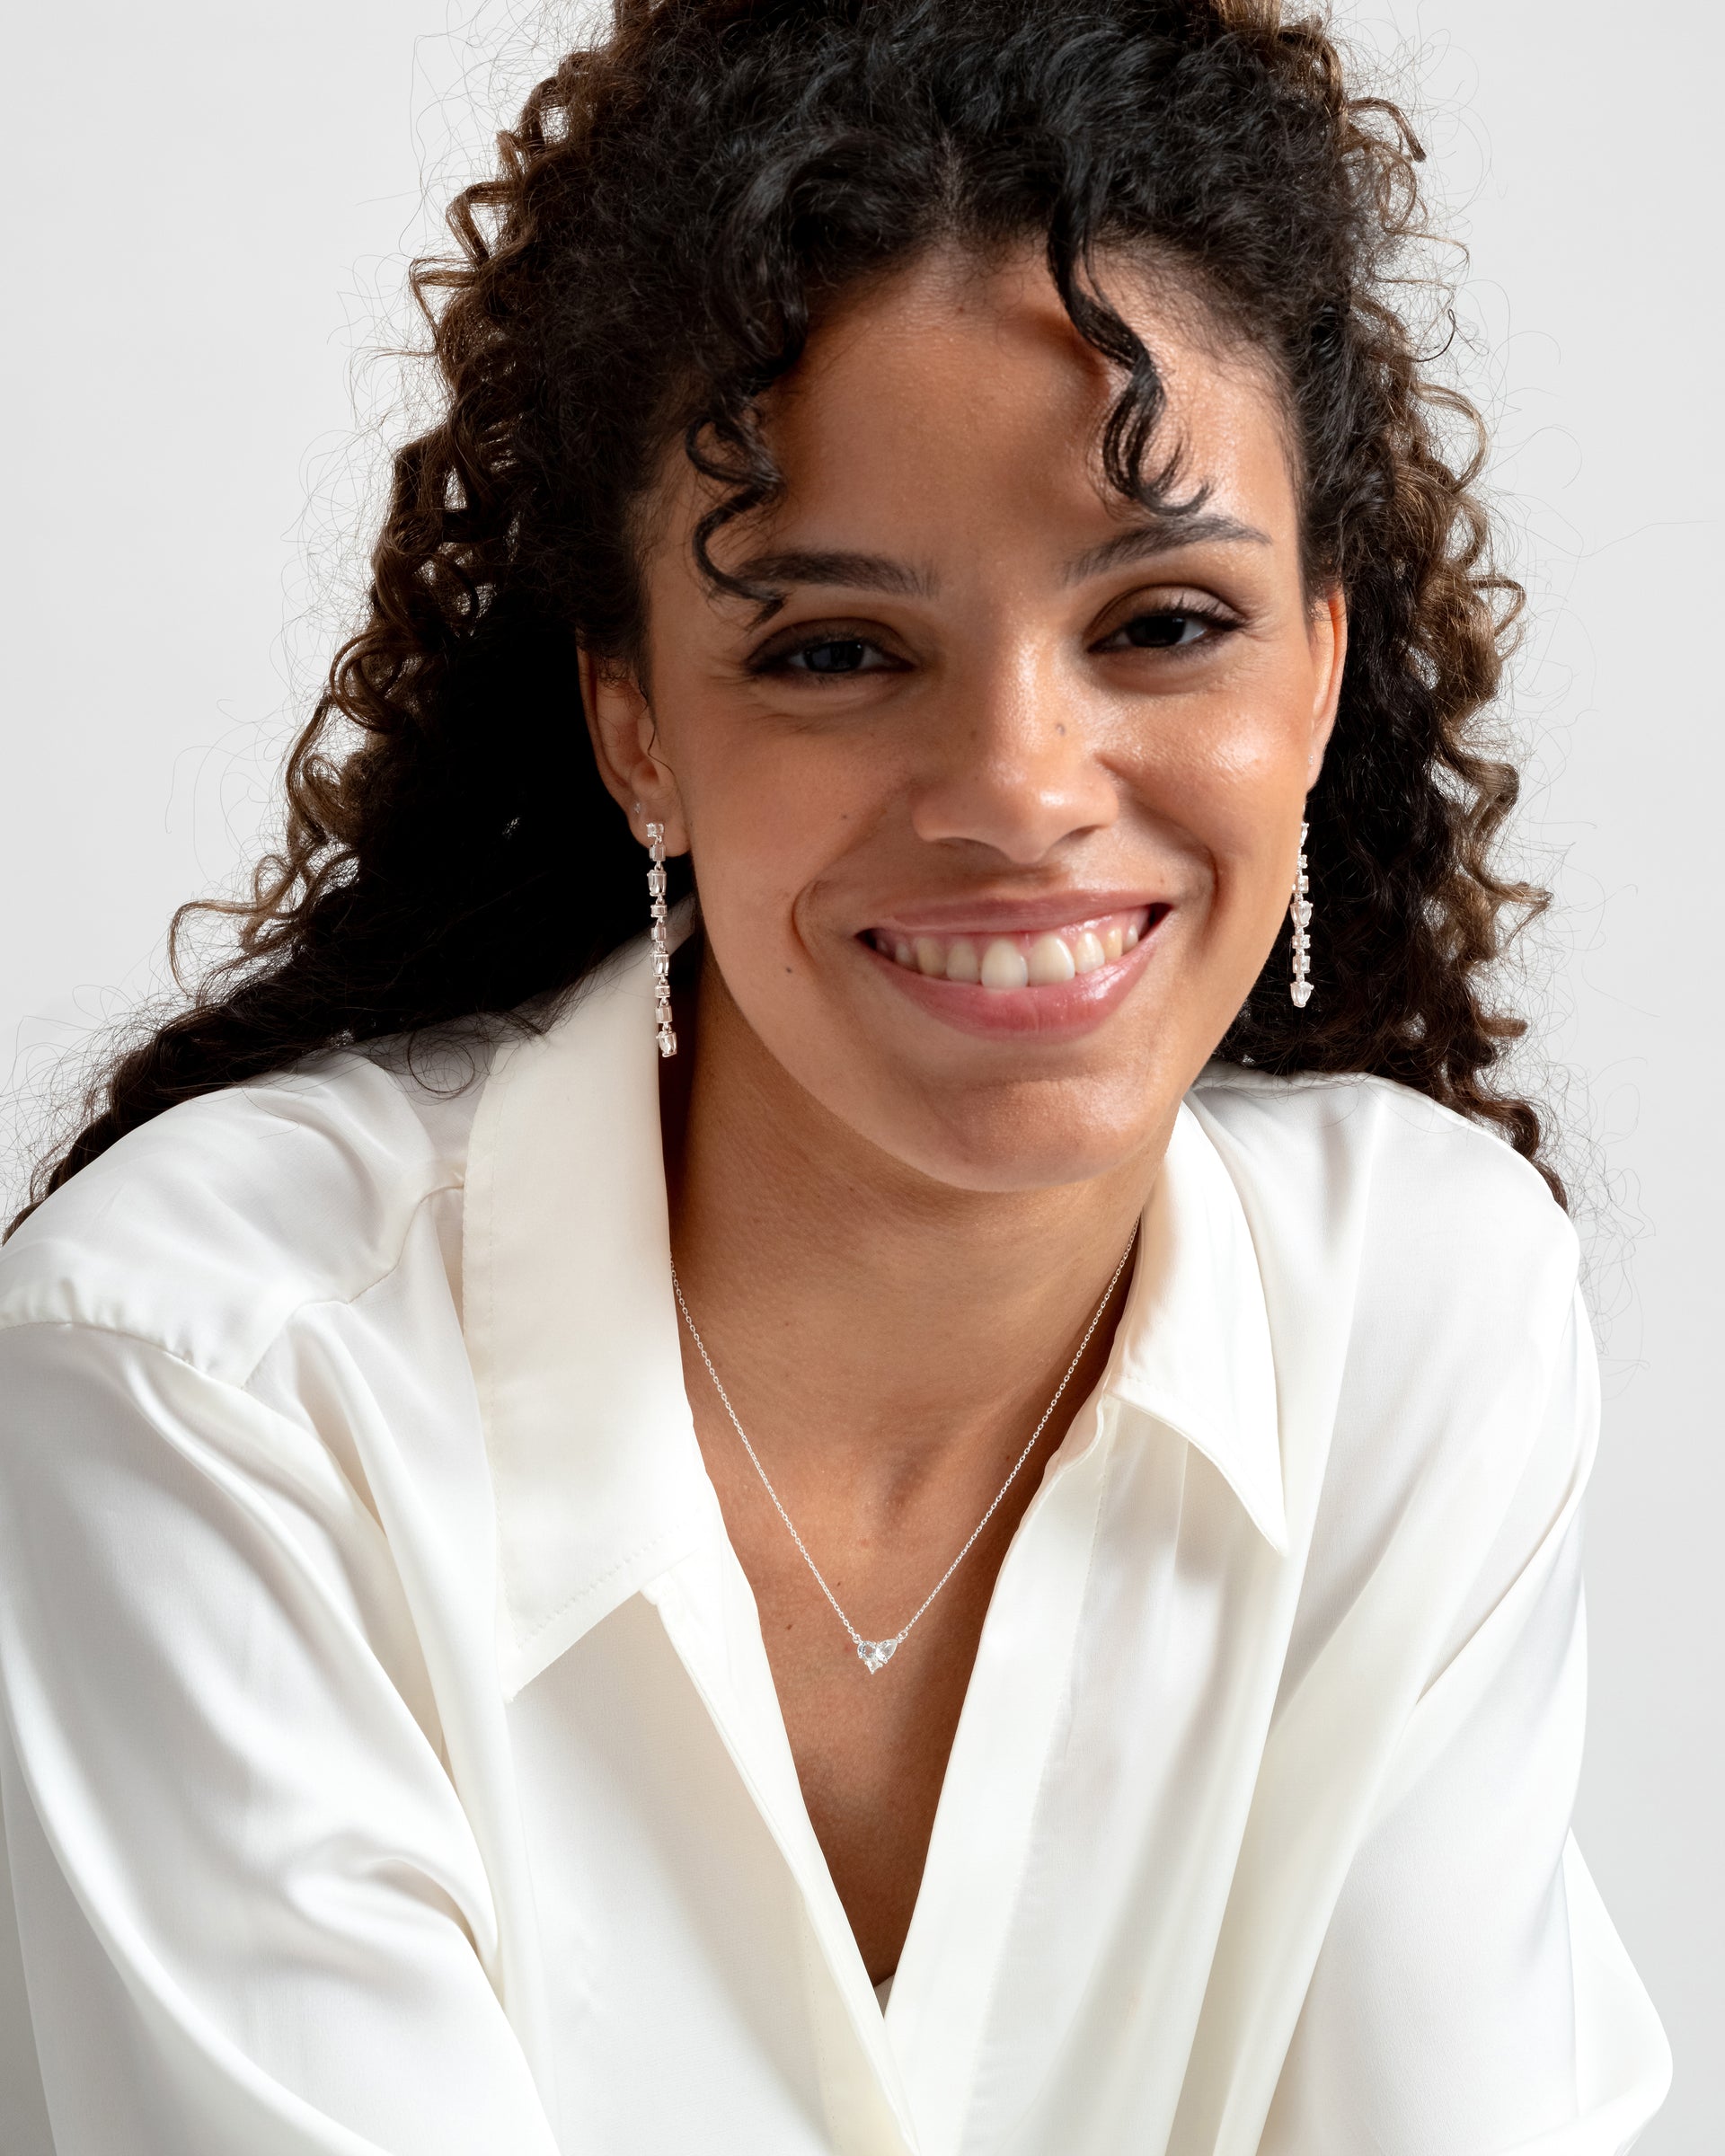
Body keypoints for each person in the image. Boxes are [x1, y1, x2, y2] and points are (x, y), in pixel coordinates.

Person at [0, 0, 1672, 2149]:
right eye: (836, 650)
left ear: (1323, 659)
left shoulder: (1423, 1323)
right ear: (636, 728)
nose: (1020, 788)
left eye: (1163, 622)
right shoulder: (214, 1386)